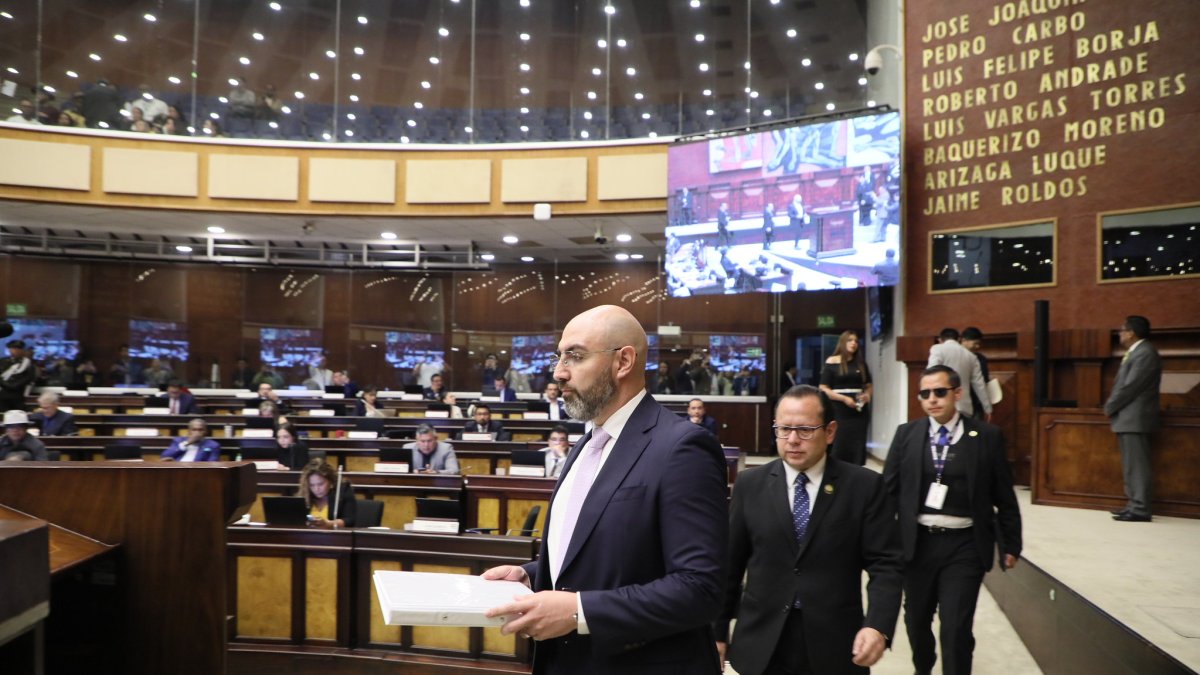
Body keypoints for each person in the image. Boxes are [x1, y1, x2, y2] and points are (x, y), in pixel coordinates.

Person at [482, 304, 728, 674]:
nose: (559, 373)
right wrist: (534, 575)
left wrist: (580, 611)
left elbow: (700, 589)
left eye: (575, 357)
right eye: (558, 357)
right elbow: (602, 554)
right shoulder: (586, 445)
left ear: (623, 361)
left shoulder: (682, 448)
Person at [717, 385, 902, 675]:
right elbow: (729, 565)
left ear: (830, 432)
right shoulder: (750, 485)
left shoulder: (863, 487)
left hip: (835, 642)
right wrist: (717, 632)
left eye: (804, 430)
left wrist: (878, 625)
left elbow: (886, 564)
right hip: (761, 640)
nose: (792, 440)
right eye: (783, 429)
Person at [883, 365, 1023, 675]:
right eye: (925, 393)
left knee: (956, 627)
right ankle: (924, 668)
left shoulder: (986, 436)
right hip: (918, 544)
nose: (932, 399)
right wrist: (877, 539)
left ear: (957, 394)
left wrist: (1012, 543)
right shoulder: (907, 434)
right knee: (916, 622)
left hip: (965, 545)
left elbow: (1004, 494)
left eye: (940, 392)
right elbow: (888, 491)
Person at [1105, 315, 1162, 522]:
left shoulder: (1145, 353)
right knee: (1131, 465)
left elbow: (1131, 387)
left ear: (1132, 332)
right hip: (1129, 418)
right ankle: (1133, 504)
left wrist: (1110, 406)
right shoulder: (1137, 352)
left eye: (1122, 330)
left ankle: (1140, 508)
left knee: (1137, 465)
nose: (1120, 333)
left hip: (1136, 418)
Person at [820, 331, 873, 466]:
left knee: (857, 443)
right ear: (843, 343)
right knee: (840, 441)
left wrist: (867, 395)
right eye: (850, 340)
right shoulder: (832, 361)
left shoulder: (861, 363)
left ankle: (856, 470)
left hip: (859, 410)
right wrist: (843, 399)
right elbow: (824, 388)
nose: (853, 343)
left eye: (856, 341)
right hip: (839, 409)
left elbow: (868, 385)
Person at [927, 328, 990, 421]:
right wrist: (987, 408)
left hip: (943, 404)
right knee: (966, 434)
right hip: (965, 406)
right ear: (959, 339)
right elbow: (979, 384)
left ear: (940, 340)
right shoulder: (971, 356)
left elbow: (931, 373)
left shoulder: (937, 349)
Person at [299, 459, 356, 529]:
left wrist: (329, 524)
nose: (316, 489)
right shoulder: (305, 494)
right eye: (312, 485)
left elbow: (350, 521)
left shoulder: (343, 490)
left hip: (334, 538)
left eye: (320, 484)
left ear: (331, 481)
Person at [959, 327, 991, 420]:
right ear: (964, 340)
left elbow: (983, 381)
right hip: (958, 402)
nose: (977, 347)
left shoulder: (981, 359)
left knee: (974, 432)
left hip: (976, 403)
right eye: (975, 343)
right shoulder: (955, 356)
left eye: (979, 344)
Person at [0, 340, 35, 412]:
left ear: (22, 350)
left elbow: (28, 378)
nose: (14, 351)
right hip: (2, 395)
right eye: (12, 348)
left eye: (17, 349)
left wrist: (13, 386)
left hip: (17, 395)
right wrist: (5, 384)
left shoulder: (27, 364)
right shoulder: (2, 361)